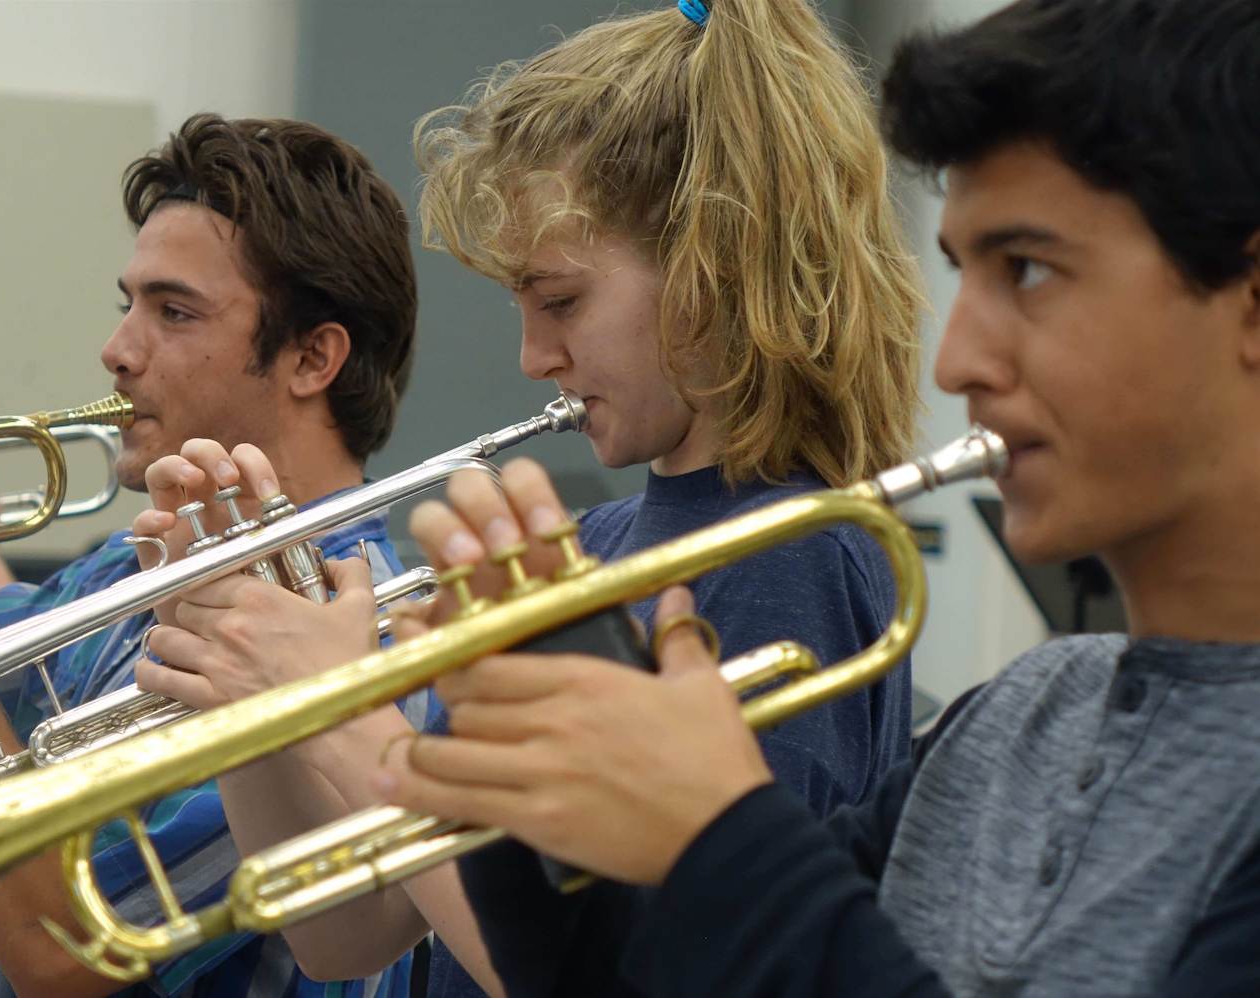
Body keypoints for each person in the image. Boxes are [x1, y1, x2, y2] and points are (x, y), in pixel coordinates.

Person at [375, 0, 1260, 994]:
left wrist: (715, 828)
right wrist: (511, 774)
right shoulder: (1013, 719)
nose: (958, 361)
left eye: (1030, 269)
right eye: (964, 273)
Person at [135, 0, 922, 995]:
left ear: (715, 263)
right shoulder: (592, 541)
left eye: (560, 302)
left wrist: (347, 710)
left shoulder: (789, 554)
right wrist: (243, 683)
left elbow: (654, 970)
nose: (531, 355)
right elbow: (347, 934)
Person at [0, 113, 423, 998]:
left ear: (313, 357)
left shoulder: (353, 625)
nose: (117, 351)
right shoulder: (132, 560)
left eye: (173, 311)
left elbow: (69, 957)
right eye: (129, 305)